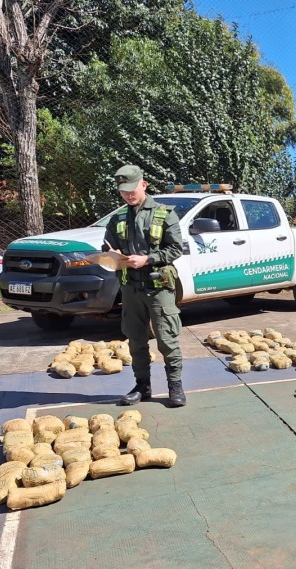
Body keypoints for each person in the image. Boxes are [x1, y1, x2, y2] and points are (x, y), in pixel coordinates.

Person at [103, 165, 186, 407]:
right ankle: (142, 386)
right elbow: (107, 247)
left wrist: (147, 259)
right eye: (123, 191)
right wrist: (112, 255)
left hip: (158, 287)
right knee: (136, 340)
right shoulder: (117, 218)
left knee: (167, 339)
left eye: (132, 189)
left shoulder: (164, 214)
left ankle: (175, 386)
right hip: (131, 289)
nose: (128, 195)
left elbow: (176, 249)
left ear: (144, 184)